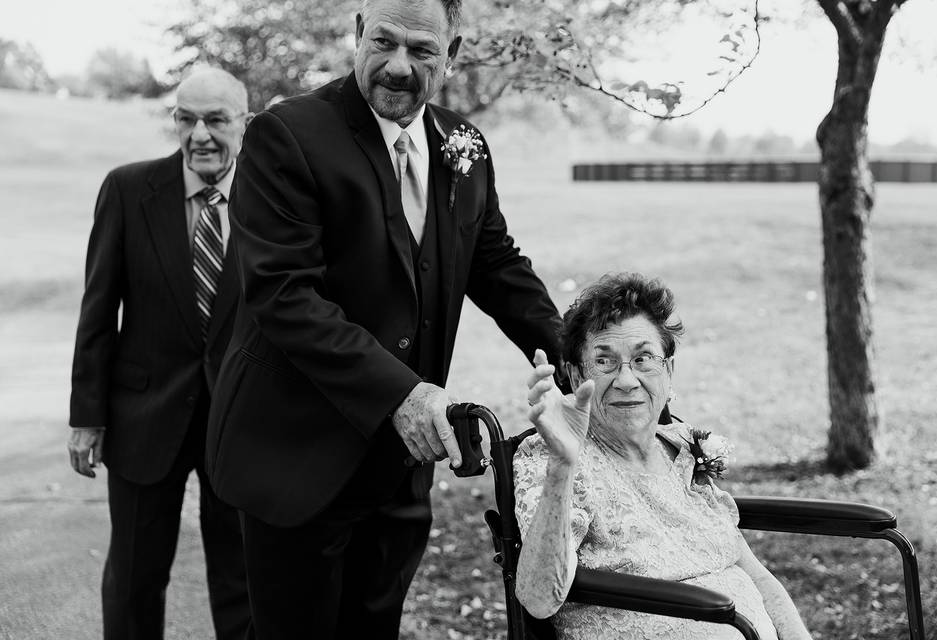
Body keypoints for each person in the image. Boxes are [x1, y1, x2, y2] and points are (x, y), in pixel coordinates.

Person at [203, 0, 564, 637]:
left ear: (451, 57)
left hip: (399, 471)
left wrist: (577, 355)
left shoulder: (465, 146)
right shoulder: (286, 134)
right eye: (384, 42)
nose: (399, 66)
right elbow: (284, 294)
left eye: (422, 50)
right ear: (357, 35)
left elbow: (496, 263)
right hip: (294, 459)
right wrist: (403, 394)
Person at [515, 273, 812, 640]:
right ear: (576, 377)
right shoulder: (552, 457)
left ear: (668, 372)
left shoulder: (682, 448)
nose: (626, 380)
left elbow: (749, 569)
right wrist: (562, 464)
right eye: (605, 362)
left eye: (643, 359)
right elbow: (538, 599)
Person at [67, 67, 254, 639]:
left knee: (242, 581)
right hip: (144, 418)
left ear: (244, 124)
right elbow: (98, 311)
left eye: (216, 120)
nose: (199, 134)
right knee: (133, 578)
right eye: (186, 118)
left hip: (241, 422)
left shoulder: (274, 200)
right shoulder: (127, 189)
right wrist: (86, 418)